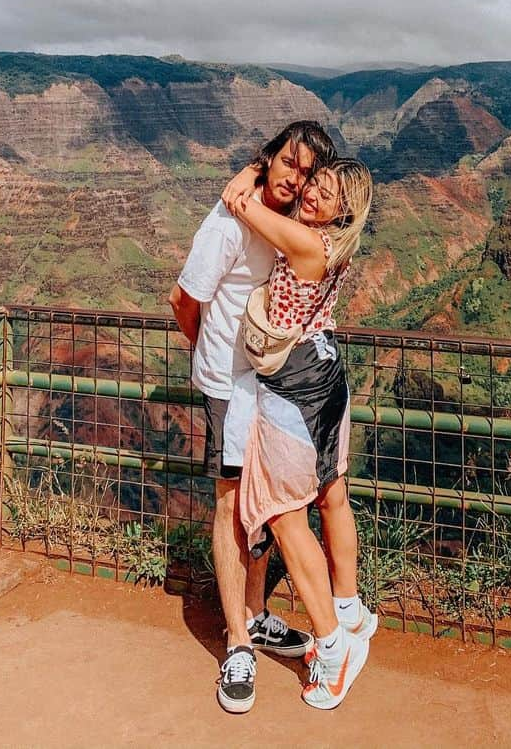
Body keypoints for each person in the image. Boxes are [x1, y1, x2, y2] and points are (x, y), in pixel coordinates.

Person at [169, 120, 336, 714]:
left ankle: (259, 615)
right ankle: (237, 641)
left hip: (271, 384)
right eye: (290, 163)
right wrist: (209, 361)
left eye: (309, 172)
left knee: (263, 501)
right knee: (230, 499)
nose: (297, 179)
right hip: (227, 384)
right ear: (270, 158)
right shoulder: (227, 222)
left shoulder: (290, 225)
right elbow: (183, 300)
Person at [221, 155, 375, 711]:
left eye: (327, 194)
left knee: (285, 513)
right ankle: (351, 609)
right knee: (333, 496)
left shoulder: (308, 246)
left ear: (344, 211)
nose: (312, 195)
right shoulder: (335, 245)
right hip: (328, 372)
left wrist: (254, 170)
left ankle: (333, 646)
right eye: (316, 184)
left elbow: (243, 204)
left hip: (293, 387)